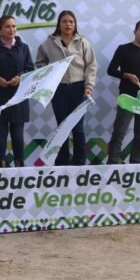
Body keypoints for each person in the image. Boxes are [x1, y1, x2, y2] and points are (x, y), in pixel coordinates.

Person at [35, 10, 97, 166]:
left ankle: (79, 163)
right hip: (59, 90)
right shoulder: (48, 43)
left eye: (71, 21)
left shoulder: (83, 42)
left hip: (79, 89)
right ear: (59, 24)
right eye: (64, 21)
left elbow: (91, 66)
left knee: (78, 128)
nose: (68, 24)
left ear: (75, 24)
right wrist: (49, 79)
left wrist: (89, 86)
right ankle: (61, 162)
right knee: (62, 127)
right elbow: (40, 64)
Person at [0, 15, 34, 168]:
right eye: (8, 26)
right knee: (1, 136)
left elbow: (30, 69)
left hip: (18, 98)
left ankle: (19, 166)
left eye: (14, 26)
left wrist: (20, 77)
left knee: (17, 136)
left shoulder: (24, 47)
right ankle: (0, 168)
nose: (12, 30)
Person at [106, 20, 140, 165]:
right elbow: (111, 70)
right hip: (127, 98)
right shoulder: (123, 49)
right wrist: (126, 75)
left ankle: (136, 164)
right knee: (119, 132)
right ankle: (112, 163)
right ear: (135, 31)